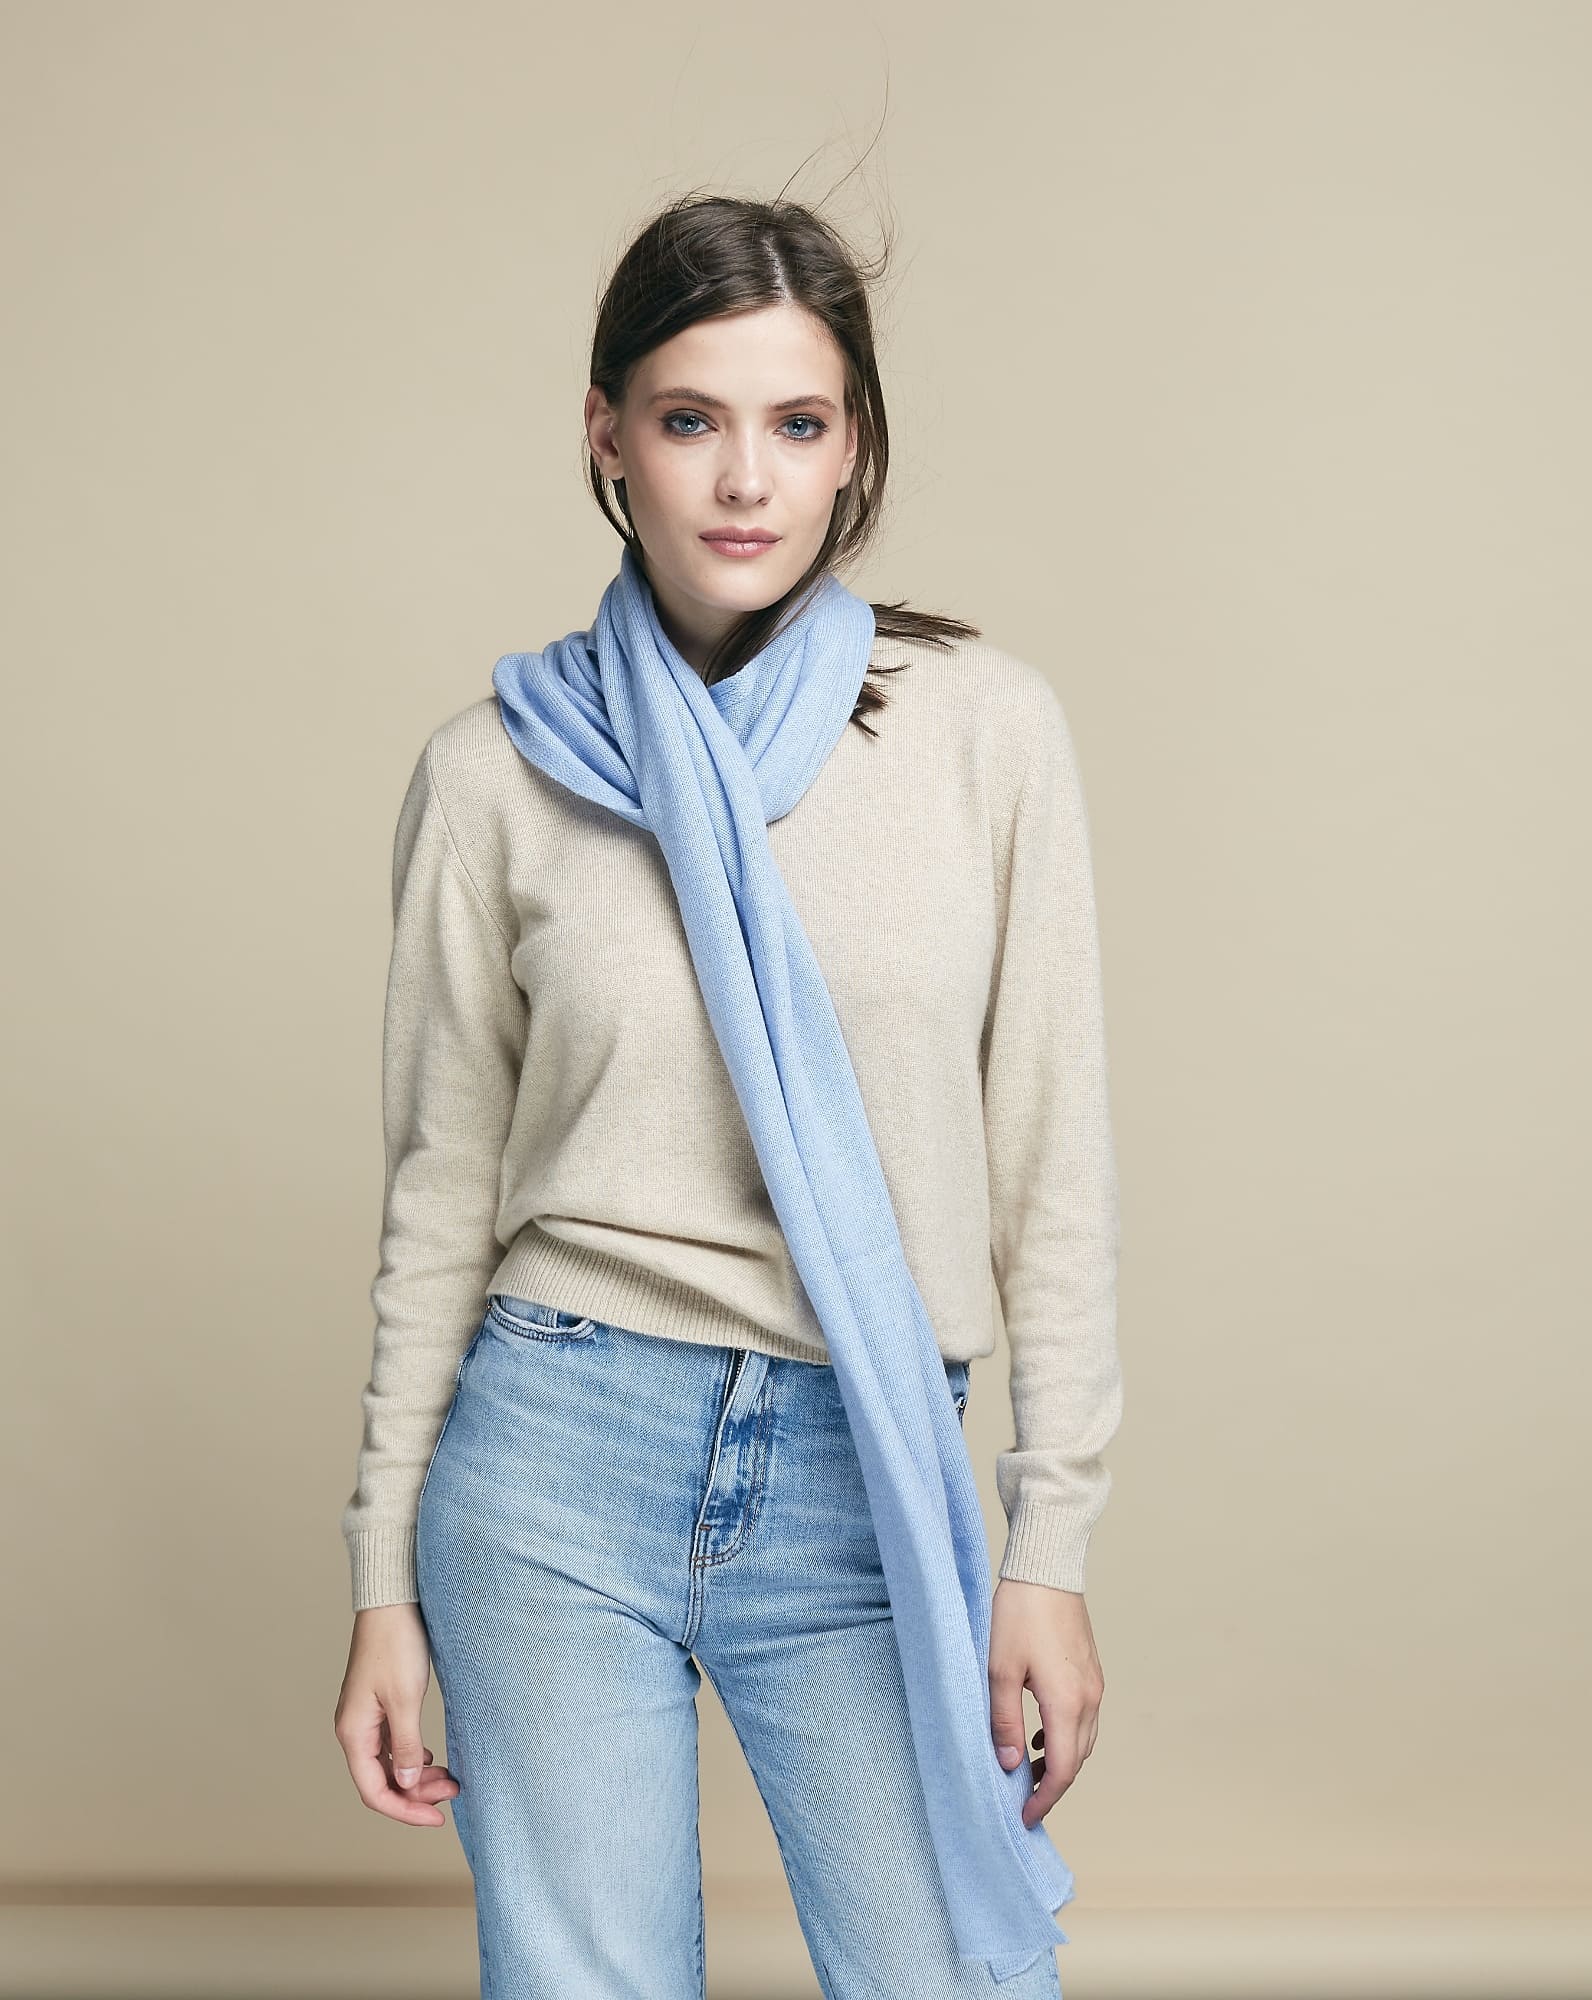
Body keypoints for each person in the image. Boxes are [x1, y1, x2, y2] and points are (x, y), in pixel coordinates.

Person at [333, 189, 1122, 1998]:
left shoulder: (987, 732)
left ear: (854, 448)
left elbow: (1052, 1168)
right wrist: (381, 1575)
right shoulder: (495, 775)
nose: (746, 479)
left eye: (799, 422)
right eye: (691, 419)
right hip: (556, 1457)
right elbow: (439, 1200)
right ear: (606, 434)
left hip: (867, 1466)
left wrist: (1049, 1544)